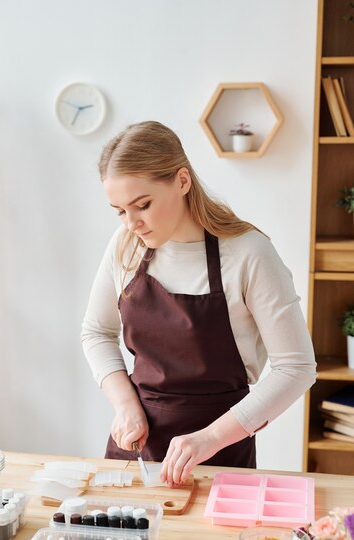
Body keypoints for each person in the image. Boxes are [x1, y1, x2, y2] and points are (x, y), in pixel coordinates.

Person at [81, 121, 316, 486]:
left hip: (221, 453)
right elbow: (96, 332)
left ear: (182, 181)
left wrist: (209, 439)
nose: (132, 224)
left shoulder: (249, 253)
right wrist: (125, 405)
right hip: (136, 452)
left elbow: (297, 368)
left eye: (142, 205)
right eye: (119, 211)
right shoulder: (125, 245)